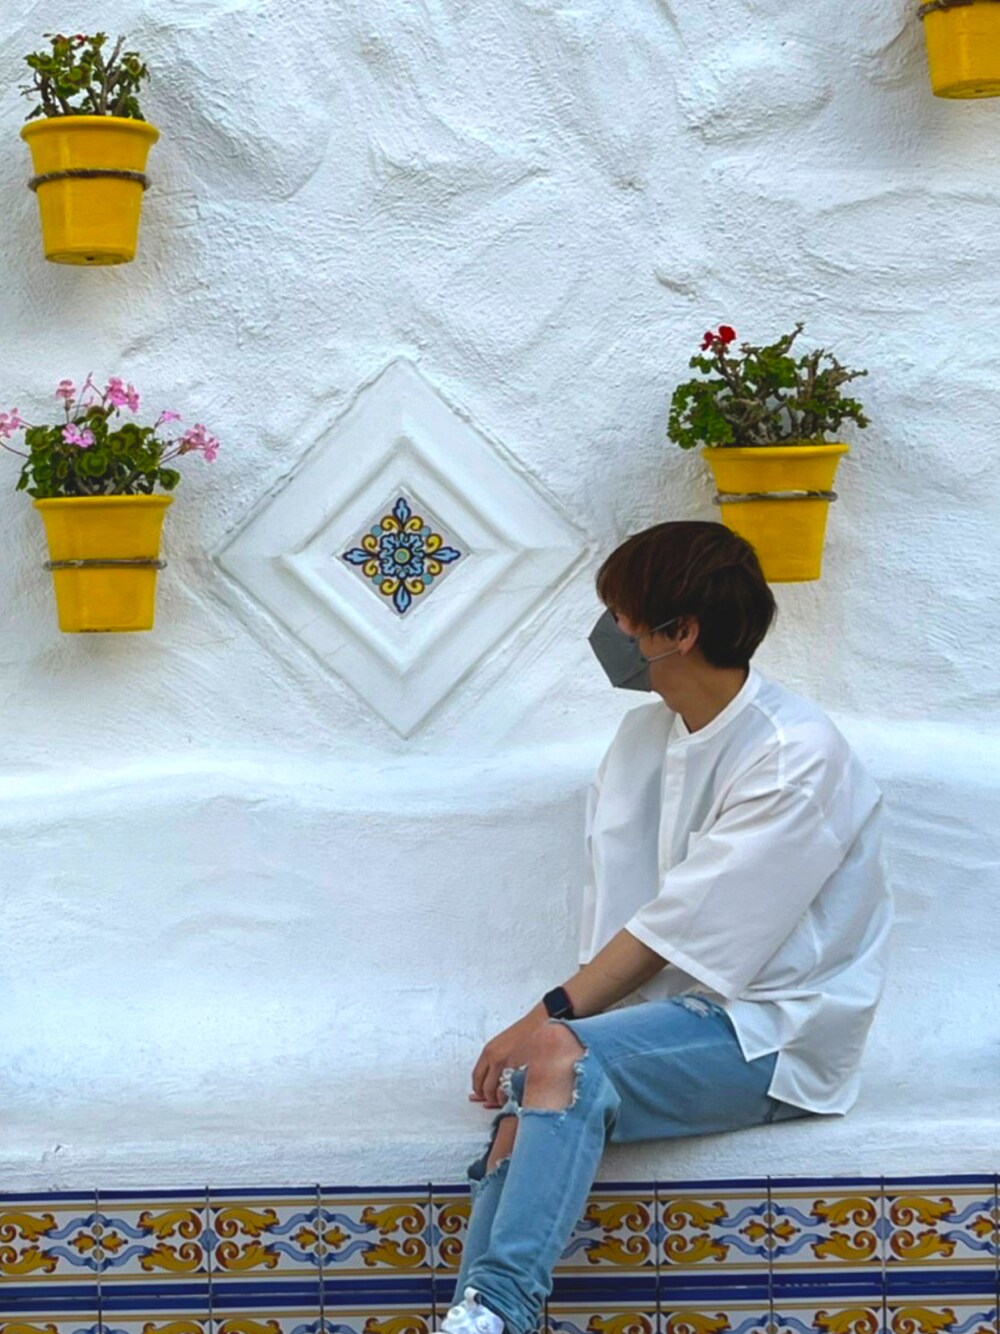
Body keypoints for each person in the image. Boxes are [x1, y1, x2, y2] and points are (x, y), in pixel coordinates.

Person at [435, 520, 892, 1334]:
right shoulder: (644, 736)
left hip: (772, 1033)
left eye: (621, 615)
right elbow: (628, 913)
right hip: (673, 1022)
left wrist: (543, 1019)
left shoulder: (795, 753)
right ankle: (479, 1315)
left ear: (680, 632)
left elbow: (674, 933)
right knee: (532, 1090)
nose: (609, 631)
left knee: (557, 1059)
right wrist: (548, 1038)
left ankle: (501, 1310)